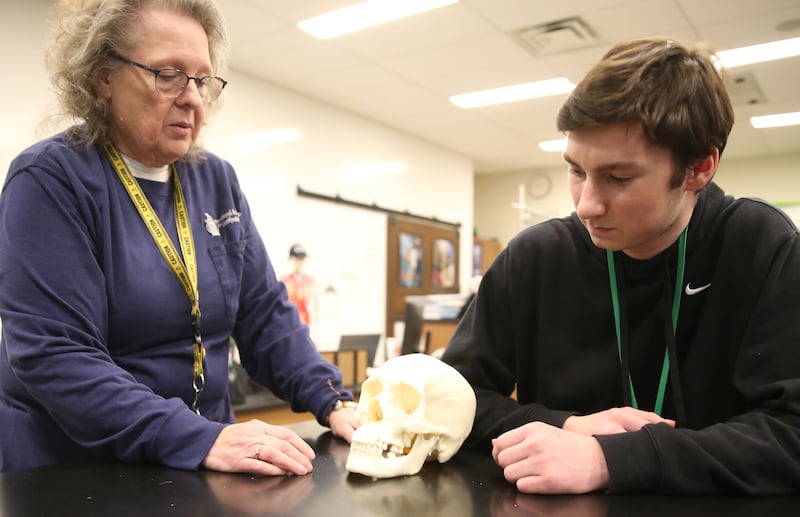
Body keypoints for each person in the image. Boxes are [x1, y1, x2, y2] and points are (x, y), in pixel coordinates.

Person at [0, 0, 358, 474]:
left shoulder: (215, 180)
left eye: (202, 79)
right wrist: (200, 438)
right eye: (168, 74)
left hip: (200, 457)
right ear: (104, 75)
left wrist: (333, 401)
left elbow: (265, 315)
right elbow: (59, 357)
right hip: (79, 468)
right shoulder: (50, 180)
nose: (193, 98)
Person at [442, 37, 800, 494]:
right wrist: (567, 426)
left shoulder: (760, 245)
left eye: (618, 178)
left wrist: (612, 459)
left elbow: (790, 434)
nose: (587, 205)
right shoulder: (533, 257)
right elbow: (452, 402)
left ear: (699, 168)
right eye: (576, 171)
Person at [281, 243, 316, 327]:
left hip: (306, 324)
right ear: (292, 259)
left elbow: (314, 306)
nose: (300, 262)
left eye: (302, 258)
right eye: (298, 258)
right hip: (290, 324)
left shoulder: (310, 281)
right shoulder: (285, 280)